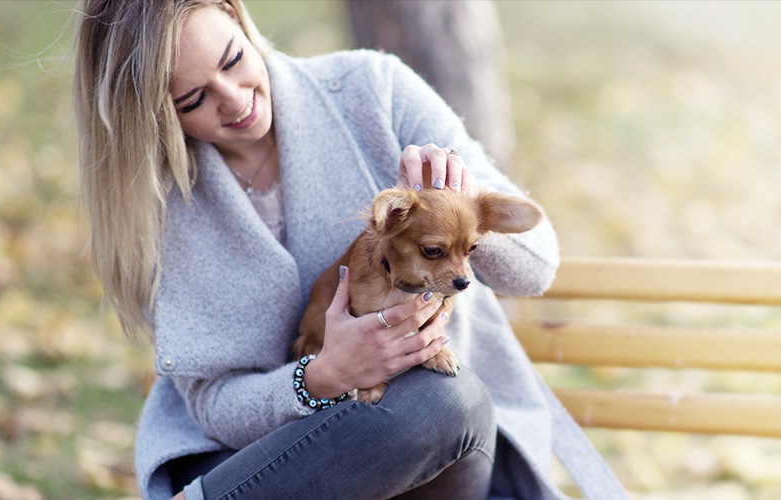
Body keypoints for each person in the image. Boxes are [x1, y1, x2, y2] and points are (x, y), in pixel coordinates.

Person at [73, 1, 625, 499]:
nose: (236, 99)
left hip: (435, 445)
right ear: (154, 114)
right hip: (278, 459)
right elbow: (215, 405)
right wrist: (321, 377)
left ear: (240, 19)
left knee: (442, 400)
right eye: (194, 98)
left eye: (234, 59)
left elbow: (536, 268)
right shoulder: (167, 202)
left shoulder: (372, 89)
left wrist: (465, 199)